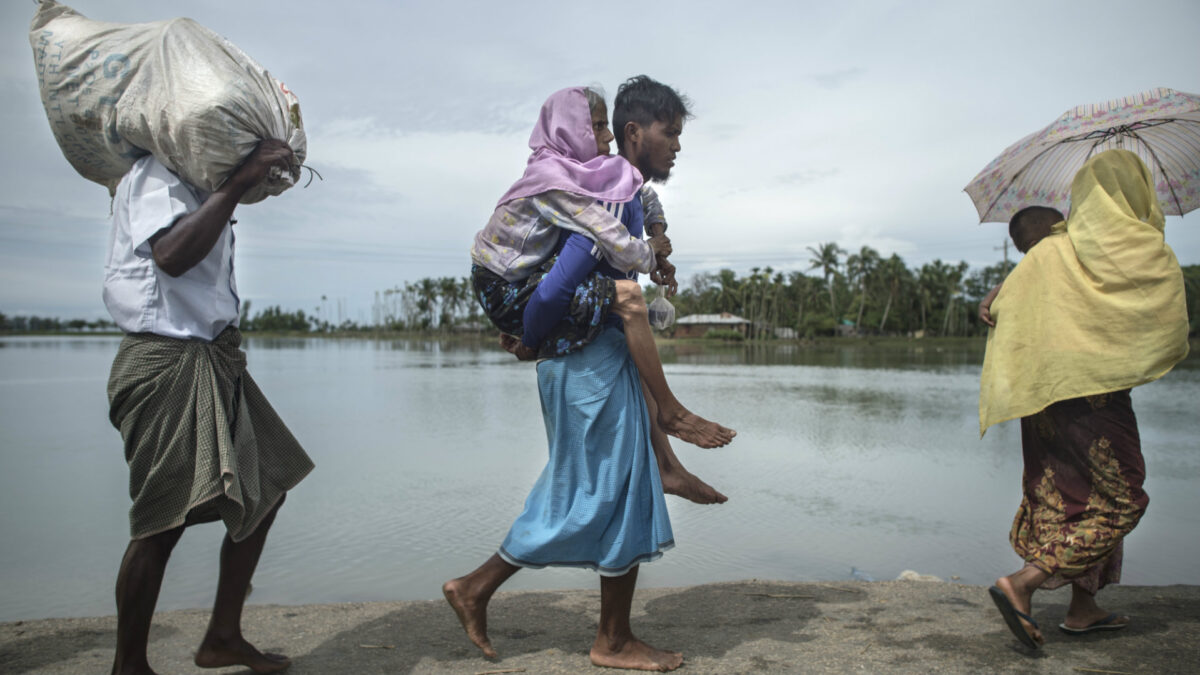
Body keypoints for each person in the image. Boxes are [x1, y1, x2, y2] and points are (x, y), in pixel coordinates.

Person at [446, 76, 702, 672]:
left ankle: (613, 635)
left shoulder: (612, 182)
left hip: (596, 357)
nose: (678, 147)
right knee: (586, 493)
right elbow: (558, 289)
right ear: (634, 133)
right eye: (672, 134)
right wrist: (532, 337)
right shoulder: (590, 191)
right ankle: (479, 586)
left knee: (616, 487)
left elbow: (644, 205)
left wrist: (657, 236)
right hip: (576, 363)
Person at [103, 139, 314, 675]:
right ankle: (128, 667)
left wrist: (234, 187)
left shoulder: (199, 187)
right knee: (161, 519)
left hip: (214, 357)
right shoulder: (157, 174)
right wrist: (239, 183)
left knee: (266, 487)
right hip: (167, 361)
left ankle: (222, 637)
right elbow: (171, 256)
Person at [470, 85, 732, 504]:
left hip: (533, 295)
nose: (605, 137)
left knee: (627, 328)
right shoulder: (570, 186)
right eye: (596, 127)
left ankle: (667, 465)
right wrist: (530, 342)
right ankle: (672, 416)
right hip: (514, 294)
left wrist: (659, 235)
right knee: (627, 298)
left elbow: (643, 194)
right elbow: (592, 249)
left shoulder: (598, 177)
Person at [979, 150, 1189, 650]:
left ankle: (1083, 608)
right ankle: (1023, 584)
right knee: (1122, 500)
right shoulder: (1093, 250)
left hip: (1042, 401)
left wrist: (991, 295)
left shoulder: (1033, 266)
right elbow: (1147, 306)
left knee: (1075, 499)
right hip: (1091, 398)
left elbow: (1000, 308)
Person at [977, 206, 1064, 327]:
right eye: (1060, 231)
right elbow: (1008, 283)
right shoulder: (1042, 260)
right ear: (1036, 246)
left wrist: (985, 304)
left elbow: (1006, 284)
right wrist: (984, 304)